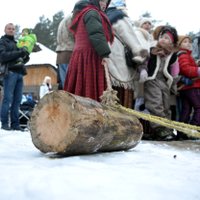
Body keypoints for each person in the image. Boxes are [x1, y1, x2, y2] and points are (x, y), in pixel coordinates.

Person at [64, 0, 114, 102]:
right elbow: (96, 34)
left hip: (81, 56)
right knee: (89, 91)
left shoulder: (84, 12)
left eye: (106, 2)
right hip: (89, 57)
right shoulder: (92, 13)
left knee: (80, 90)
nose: (104, 5)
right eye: (102, 1)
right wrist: (105, 54)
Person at [139, 25, 180, 140]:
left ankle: (167, 128)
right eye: (162, 36)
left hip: (164, 82)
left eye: (167, 38)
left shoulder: (173, 55)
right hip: (152, 79)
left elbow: (175, 70)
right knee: (155, 103)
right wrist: (143, 70)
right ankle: (160, 129)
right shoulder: (152, 49)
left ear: (172, 41)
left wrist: (174, 83)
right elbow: (143, 61)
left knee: (166, 106)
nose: (163, 39)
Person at [105, 0, 148, 108]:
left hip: (105, 62)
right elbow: (131, 38)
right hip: (119, 64)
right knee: (122, 100)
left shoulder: (102, 16)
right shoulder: (119, 17)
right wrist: (141, 57)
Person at [0, 23, 28, 131]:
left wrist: (25, 55)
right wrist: (19, 52)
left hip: (20, 73)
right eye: (9, 28)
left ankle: (15, 125)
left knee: (17, 100)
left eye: (13, 29)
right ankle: (4, 124)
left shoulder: (17, 43)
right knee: (7, 99)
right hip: (10, 72)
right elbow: (2, 57)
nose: (11, 30)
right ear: (5, 30)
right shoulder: (2, 42)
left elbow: (22, 58)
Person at [176, 35, 200, 139]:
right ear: (179, 44)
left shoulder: (186, 55)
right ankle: (193, 128)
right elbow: (185, 69)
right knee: (199, 107)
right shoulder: (183, 55)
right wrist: (198, 70)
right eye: (185, 42)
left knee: (186, 109)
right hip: (191, 87)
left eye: (189, 42)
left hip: (186, 88)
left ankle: (182, 132)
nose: (188, 43)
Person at [56, 13, 74, 90]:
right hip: (69, 53)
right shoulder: (72, 18)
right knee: (71, 87)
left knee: (65, 87)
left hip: (60, 55)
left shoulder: (63, 20)